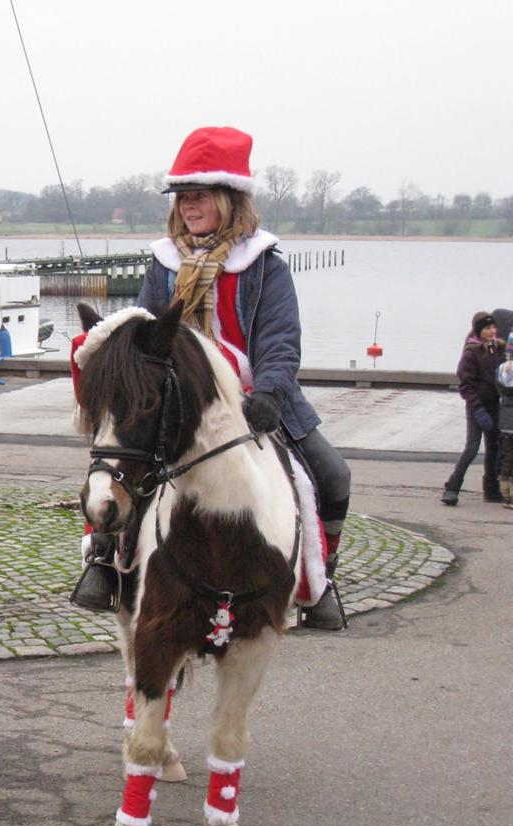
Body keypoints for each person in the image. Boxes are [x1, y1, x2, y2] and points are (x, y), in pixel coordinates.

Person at [91, 125, 350, 630]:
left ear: (229, 199)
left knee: (332, 476)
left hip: (255, 397)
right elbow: (144, 330)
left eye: (199, 196)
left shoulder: (265, 266)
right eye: (183, 198)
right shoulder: (164, 264)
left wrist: (271, 392)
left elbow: (279, 341)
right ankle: (105, 564)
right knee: (121, 463)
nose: (188, 206)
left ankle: (318, 579)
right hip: (179, 398)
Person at [441, 311, 505, 505]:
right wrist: (477, 409)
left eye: (493, 327)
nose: (492, 331)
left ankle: (491, 489)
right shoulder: (472, 352)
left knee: (494, 448)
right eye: (487, 328)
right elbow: (465, 385)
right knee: (472, 448)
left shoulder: (498, 349)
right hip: (477, 407)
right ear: (479, 331)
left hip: (495, 405)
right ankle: (452, 488)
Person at [496, 329, 513, 509]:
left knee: (507, 458)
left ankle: (505, 495)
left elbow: (499, 391)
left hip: (505, 422)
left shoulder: (502, 370)